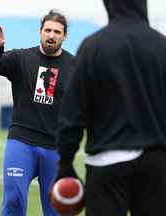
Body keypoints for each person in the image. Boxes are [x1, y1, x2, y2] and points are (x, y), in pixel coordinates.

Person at [55, 0, 166, 216]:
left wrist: (65, 163)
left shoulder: (93, 46)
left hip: (108, 163)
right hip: (157, 163)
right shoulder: (162, 46)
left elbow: (73, 113)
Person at [0, 10, 75, 216]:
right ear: (40, 32)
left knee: (55, 208)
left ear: (64, 36)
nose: (51, 35)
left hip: (55, 147)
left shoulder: (75, 66)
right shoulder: (21, 58)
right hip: (22, 141)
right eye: (48, 30)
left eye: (57, 32)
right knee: (13, 200)